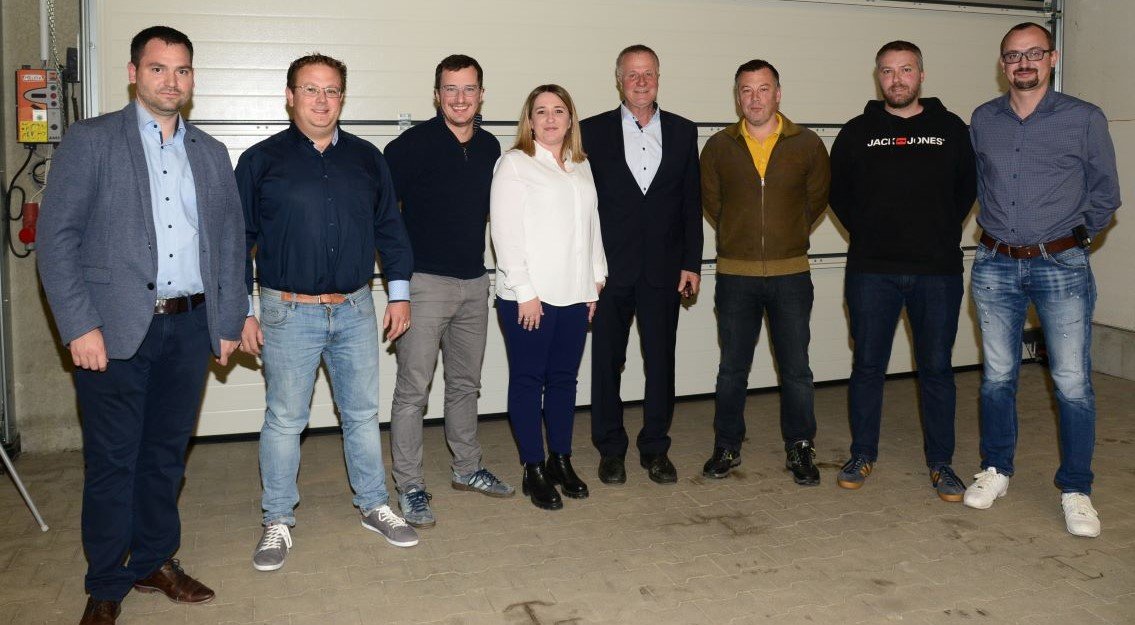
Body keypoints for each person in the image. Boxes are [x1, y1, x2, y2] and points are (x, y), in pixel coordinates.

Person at [37, 26, 247, 625]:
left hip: (190, 328)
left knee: (165, 457)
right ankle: (106, 583)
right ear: (134, 73)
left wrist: (228, 319)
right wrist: (79, 325)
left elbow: (229, 243)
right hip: (112, 332)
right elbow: (56, 240)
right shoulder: (91, 140)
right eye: (158, 69)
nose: (170, 81)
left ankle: (155, 561)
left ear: (192, 78)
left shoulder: (210, 152)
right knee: (112, 462)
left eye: (181, 70)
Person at [237, 52, 418, 572]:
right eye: (311, 89)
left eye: (332, 90)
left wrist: (399, 294)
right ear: (290, 96)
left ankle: (374, 505)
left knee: (361, 414)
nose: (322, 100)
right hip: (288, 313)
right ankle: (277, 518)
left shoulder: (367, 158)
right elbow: (238, 240)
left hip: (357, 309)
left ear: (343, 97)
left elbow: (390, 229)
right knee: (285, 419)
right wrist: (241, 311)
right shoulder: (260, 161)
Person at [964, 23, 1120, 537]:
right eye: (1013, 56)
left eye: (1033, 53)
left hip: (1061, 266)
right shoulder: (983, 119)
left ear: (1051, 59)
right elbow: (976, 184)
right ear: (1002, 63)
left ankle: (1076, 489)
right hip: (995, 263)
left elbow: (1106, 193)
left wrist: (1075, 240)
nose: (1023, 63)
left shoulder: (1084, 118)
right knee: (997, 377)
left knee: (1072, 382)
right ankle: (996, 468)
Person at [828, 41, 977, 501]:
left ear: (921, 75)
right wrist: (872, 231)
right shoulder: (857, 132)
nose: (897, 79)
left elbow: (966, 189)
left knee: (937, 369)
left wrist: (935, 230)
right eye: (888, 71)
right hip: (872, 271)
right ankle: (862, 454)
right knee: (867, 367)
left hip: (937, 271)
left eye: (906, 69)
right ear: (878, 77)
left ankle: (941, 463)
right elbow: (838, 193)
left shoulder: (951, 129)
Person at [385, 54, 512, 529]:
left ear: (481, 95)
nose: (460, 98)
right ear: (437, 94)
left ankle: (467, 467)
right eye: (451, 89)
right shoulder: (409, 147)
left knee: (465, 384)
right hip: (424, 285)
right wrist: (398, 286)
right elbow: (383, 216)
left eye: (469, 89)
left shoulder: (491, 146)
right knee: (413, 390)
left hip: (475, 283)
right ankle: (410, 485)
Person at [700, 59, 830, 485]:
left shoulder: (807, 144)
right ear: (737, 96)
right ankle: (727, 445)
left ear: (778, 93)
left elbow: (815, 201)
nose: (754, 99)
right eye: (746, 90)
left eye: (763, 89)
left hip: (791, 275)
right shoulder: (719, 146)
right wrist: (740, 234)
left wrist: (786, 234)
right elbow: (714, 204)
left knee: (796, 369)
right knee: (732, 369)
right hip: (735, 276)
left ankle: (800, 446)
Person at [580, 45, 702, 486]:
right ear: (618, 80)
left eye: (648, 73)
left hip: (664, 271)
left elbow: (691, 202)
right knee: (606, 362)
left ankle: (655, 448)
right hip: (609, 272)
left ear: (658, 78)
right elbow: (580, 205)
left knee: (661, 363)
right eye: (632, 74)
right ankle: (610, 449)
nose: (641, 81)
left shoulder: (684, 131)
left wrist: (692, 262)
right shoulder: (590, 131)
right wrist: (585, 268)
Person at [490, 84, 607, 510]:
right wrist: (525, 292)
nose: (551, 118)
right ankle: (533, 468)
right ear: (530, 120)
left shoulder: (581, 165)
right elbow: (505, 234)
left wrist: (595, 280)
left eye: (559, 110)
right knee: (528, 380)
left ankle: (560, 459)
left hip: (574, 293)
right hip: (530, 298)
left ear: (571, 118)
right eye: (541, 111)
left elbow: (592, 226)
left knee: (563, 380)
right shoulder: (514, 164)